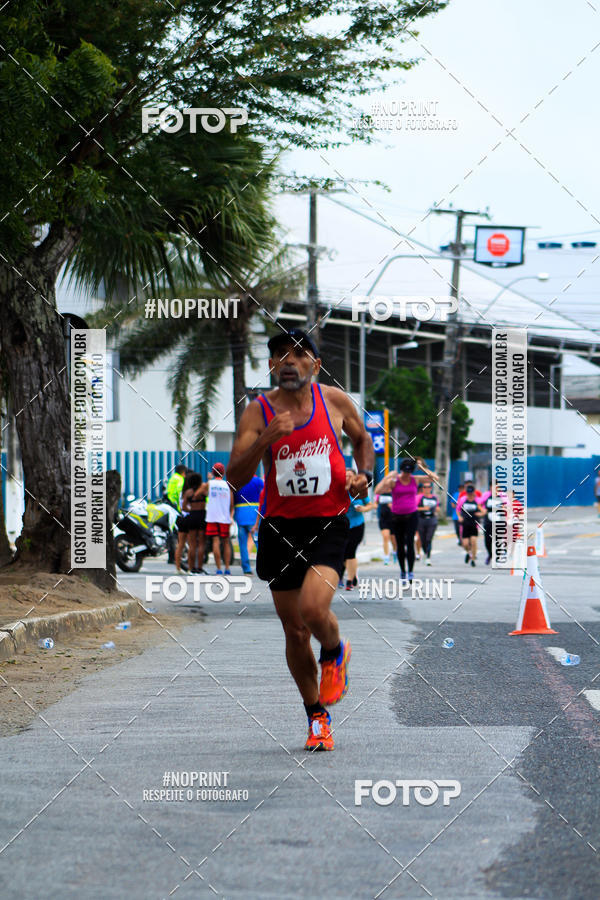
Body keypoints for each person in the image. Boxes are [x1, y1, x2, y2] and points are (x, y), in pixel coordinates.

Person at [227, 327, 374, 752]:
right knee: (294, 632)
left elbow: (362, 439)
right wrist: (266, 440)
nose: (289, 360)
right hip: (279, 528)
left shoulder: (335, 401)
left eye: (299, 353)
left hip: (328, 522)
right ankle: (316, 717)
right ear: (271, 365)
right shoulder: (258, 412)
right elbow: (235, 478)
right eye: (280, 354)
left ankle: (334, 650)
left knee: (313, 609)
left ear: (316, 364)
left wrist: (363, 475)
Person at [374, 456, 436, 585]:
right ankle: (403, 571)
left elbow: (435, 478)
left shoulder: (415, 479)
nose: (406, 475)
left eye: (409, 472)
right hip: (397, 517)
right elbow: (377, 490)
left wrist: (422, 468)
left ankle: (411, 572)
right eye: (404, 472)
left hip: (411, 516)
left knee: (410, 543)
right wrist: (387, 477)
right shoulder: (394, 481)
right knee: (400, 545)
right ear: (401, 470)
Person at [342, 485, 375, 590]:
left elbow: (370, 505)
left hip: (357, 524)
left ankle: (349, 581)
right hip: (342, 525)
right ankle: (352, 573)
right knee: (343, 553)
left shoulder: (359, 490)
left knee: (351, 551)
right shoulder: (339, 489)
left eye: (351, 477)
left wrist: (363, 509)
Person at [205, 462, 234, 574]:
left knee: (215, 541)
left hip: (212, 517)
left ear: (213, 472)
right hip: (224, 518)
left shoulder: (209, 484)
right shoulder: (228, 485)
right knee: (226, 542)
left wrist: (209, 479)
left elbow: (203, 494)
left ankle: (218, 569)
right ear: (223, 473)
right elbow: (231, 504)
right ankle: (227, 568)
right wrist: (230, 516)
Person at [233, 474, 264, 574]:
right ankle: (264, 566)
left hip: (240, 514)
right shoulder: (258, 481)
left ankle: (246, 569)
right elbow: (264, 495)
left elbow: (232, 498)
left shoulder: (237, 481)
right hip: (253, 513)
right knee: (258, 542)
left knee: (242, 543)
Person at [181, 473, 208, 574]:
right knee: (201, 544)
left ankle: (191, 567)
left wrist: (191, 510)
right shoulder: (203, 491)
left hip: (192, 516)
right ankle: (199, 567)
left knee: (192, 544)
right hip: (202, 515)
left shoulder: (188, 492)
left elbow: (183, 507)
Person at [457, 482, 484, 566]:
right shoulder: (463, 499)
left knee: (473, 541)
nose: (470, 495)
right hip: (465, 523)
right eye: (468, 493)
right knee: (465, 544)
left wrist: (480, 514)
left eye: (471, 493)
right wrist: (459, 517)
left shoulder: (478, 500)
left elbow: (483, 511)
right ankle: (469, 553)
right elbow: (458, 509)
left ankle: (473, 559)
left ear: (474, 492)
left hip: (474, 523)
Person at [416, 480, 439, 566]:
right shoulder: (419, 497)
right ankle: (425, 552)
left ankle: (428, 557)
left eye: (428, 487)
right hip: (421, 519)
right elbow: (414, 508)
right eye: (425, 487)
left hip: (432, 520)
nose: (427, 489)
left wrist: (437, 510)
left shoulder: (434, 497)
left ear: (431, 488)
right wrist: (423, 508)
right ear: (422, 488)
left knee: (429, 539)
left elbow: (437, 507)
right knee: (422, 539)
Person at [481, 482, 503, 565]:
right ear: (490, 487)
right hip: (488, 521)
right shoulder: (486, 495)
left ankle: (498, 558)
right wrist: (483, 510)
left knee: (498, 539)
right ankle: (490, 555)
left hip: (499, 520)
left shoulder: (502, 496)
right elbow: (479, 503)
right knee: (487, 541)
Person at [375, 491, 397, 565]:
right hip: (383, 519)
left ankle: (395, 552)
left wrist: (393, 505)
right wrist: (375, 506)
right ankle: (386, 557)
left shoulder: (395, 491)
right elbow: (376, 503)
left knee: (394, 539)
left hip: (394, 518)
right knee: (385, 537)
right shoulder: (380, 493)